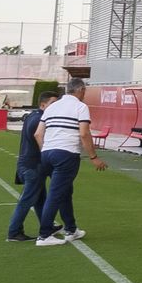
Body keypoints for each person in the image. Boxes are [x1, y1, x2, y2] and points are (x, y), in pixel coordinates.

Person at [34, 79, 107, 245]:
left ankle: (71, 229)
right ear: (80, 90)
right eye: (85, 91)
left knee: (64, 191)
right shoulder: (80, 107)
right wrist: (94, 157)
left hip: (47, 153)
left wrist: (47, 150)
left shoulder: (52, 106)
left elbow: (38, 134)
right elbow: (84, 133)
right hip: (66, 154)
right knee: (56, 193)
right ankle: (44, 235)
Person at [6, 90, 57, 242]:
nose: (55, 107)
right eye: (52, 104)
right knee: (27, 200)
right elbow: (39, 139)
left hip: (29, 165)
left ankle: (46, 225)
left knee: (40, 199)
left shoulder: (33, 116)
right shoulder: (39, 120)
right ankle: (14, 232)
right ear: (43, 104)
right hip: (33, 166)